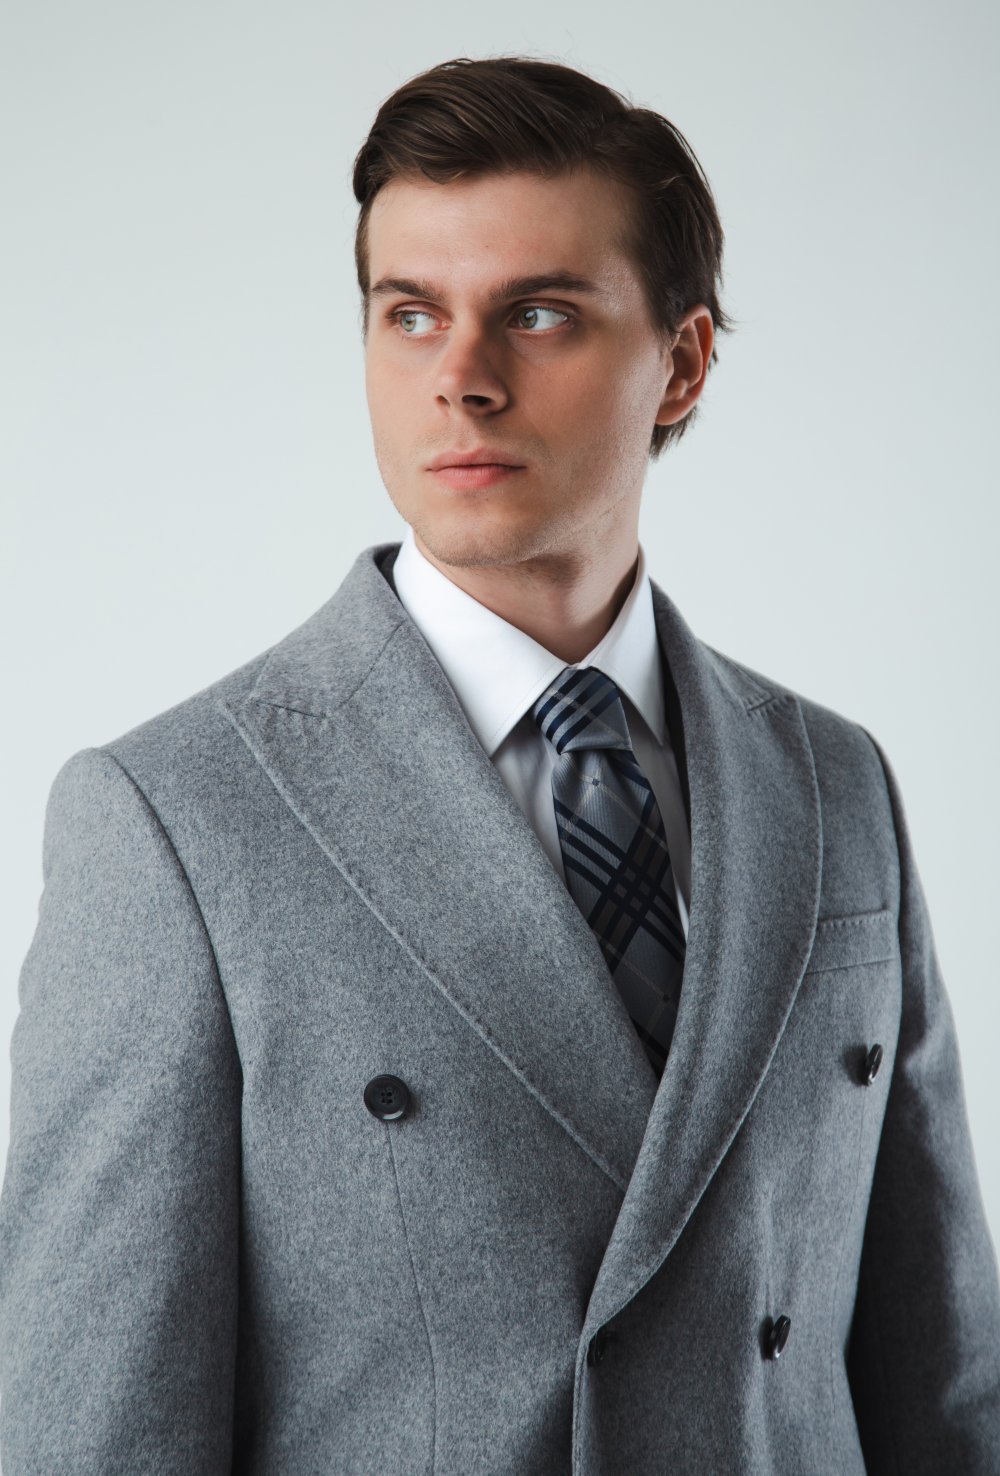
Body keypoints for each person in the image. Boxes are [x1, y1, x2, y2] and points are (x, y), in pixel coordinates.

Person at [1, 53, 998, 1475]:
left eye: (537, 314)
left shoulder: (837, 786)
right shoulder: (177, 823)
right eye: (410, 314)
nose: (460, 381)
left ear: (684, 362)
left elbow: (945, 1388)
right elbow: (92, 1438)